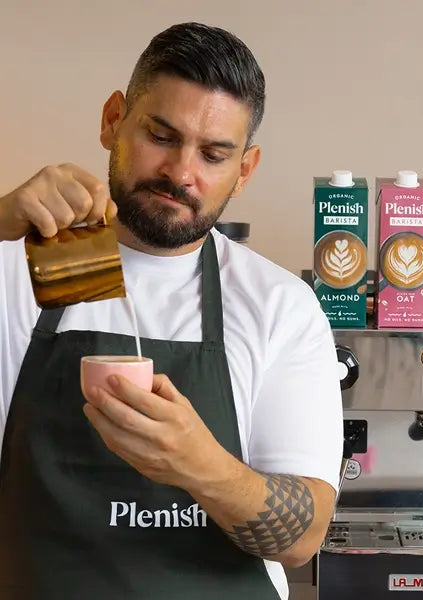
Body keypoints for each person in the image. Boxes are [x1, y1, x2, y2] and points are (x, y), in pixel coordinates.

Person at [0, 22, 343, 600]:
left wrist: (199, 463)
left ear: (245, 169)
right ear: (114, 120)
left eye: (214, 154)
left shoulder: (276, 305)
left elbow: (303, 535)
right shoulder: (25, 267)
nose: (182, 173)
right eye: (161, 135)